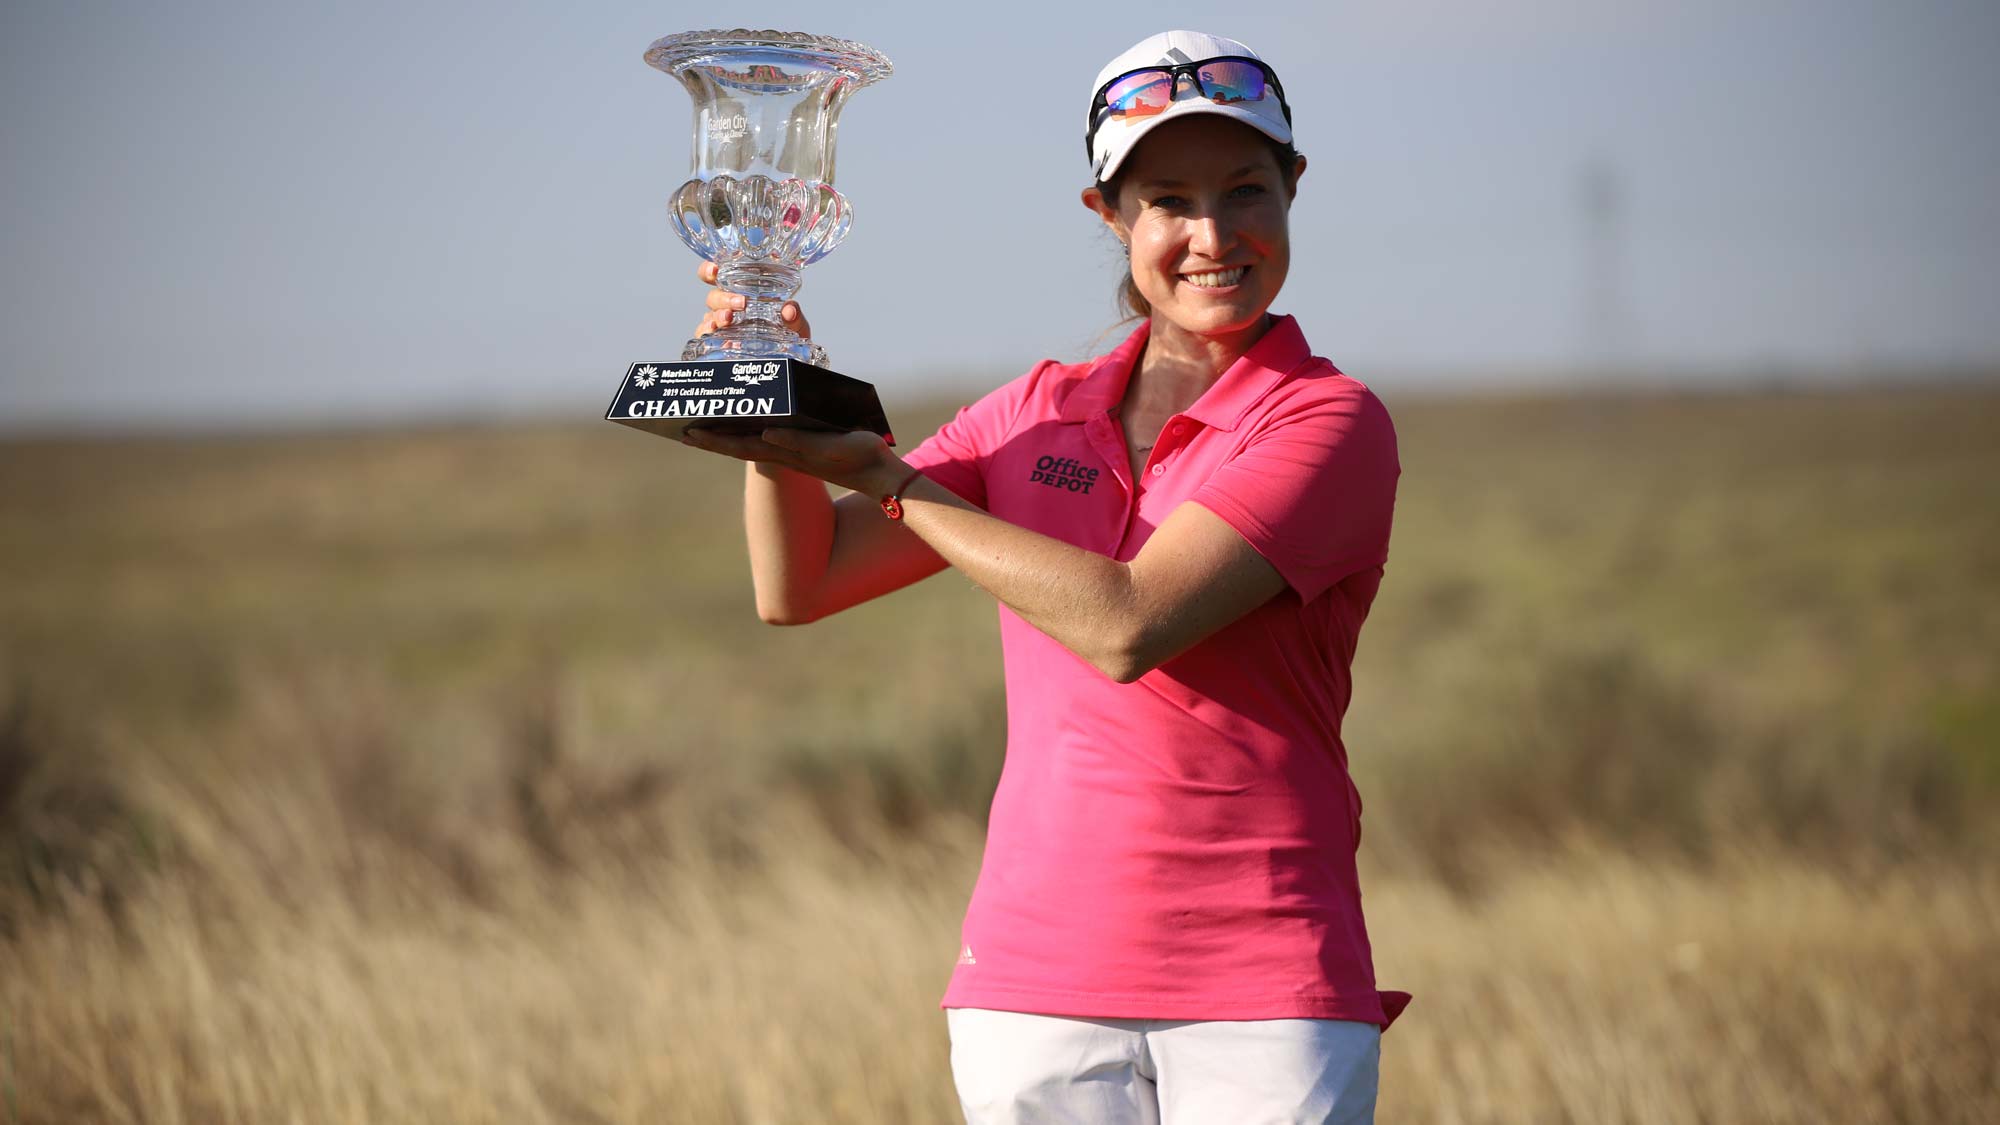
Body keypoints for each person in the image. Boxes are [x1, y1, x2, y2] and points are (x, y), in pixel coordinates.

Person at [678, 29, 1408, 1125]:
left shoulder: (1326, 420)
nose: (1213, 237)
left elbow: (1129, 626)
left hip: (1264, 980)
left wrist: (885, 476)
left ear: (1294, 186)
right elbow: (802, 583)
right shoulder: (1031, 410)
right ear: (1108, 215)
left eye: (1245, 191)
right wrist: (769, 418)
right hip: (1033, 982)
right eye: (1167, 202)